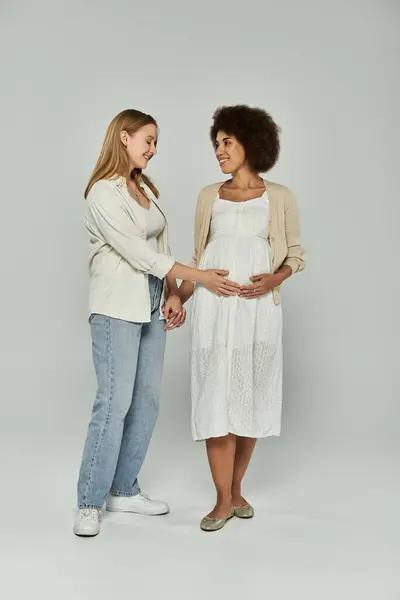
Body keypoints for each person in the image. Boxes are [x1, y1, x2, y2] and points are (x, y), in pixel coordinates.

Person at [73, 109, 240, 537]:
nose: (154, 149)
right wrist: (199, 277)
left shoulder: (143, 186)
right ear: (124, 138)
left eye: (155, 142)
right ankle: (90, 501)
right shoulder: (103, 193)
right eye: (148, 140)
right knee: (113, 404)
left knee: (146, 402)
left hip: (149, 301)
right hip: (115, 306)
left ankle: (124, 490)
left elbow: (159, 245)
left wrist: (172, 293)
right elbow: (137, 253)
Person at [178, 105, 305, 531]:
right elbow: (198, 259)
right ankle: (220, 500)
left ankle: (235, 492)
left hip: (257, 311)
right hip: (215, 310)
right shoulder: (208, 196)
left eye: (226, 142)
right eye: (216, 144)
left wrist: (274, 278)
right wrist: (180, 296)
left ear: (251, 142)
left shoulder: (280, 196)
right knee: (217, 393)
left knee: (248, 396)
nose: (219, 151)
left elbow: (295, 257)